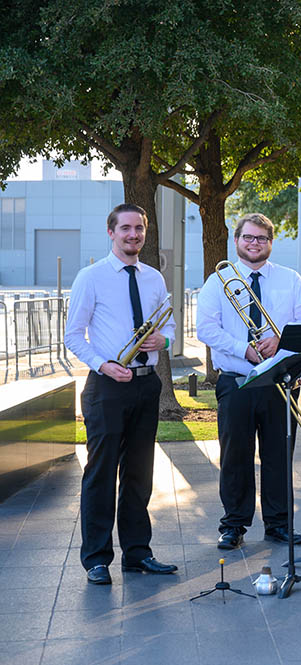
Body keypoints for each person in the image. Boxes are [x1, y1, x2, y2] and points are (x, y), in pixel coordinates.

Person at [65, 203, 178, 585]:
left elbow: (170, 326)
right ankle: (96, 559)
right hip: (107, 386)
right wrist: (103, 364)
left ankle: (137, 553)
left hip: (146, 383)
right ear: (111, 232)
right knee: (101, 472)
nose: (134, 235)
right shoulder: (91, 277)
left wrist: (165, 339)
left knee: (140, 472)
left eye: (140, 229)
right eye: (126, 228)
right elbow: (72, 336)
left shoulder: (153, 279)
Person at [196, 213, 301, 550]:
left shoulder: (290, 280)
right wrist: (244, 350)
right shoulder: (217, 281)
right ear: (236, 241)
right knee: (236, 456)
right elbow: (205, 329)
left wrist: (282, 342)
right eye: (248, 237)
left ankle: (279, 524)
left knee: (279, 456)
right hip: (236, 381)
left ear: (270, 243)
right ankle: (233, 524)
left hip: (281, 382)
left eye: (261, 238)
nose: (254, 243)